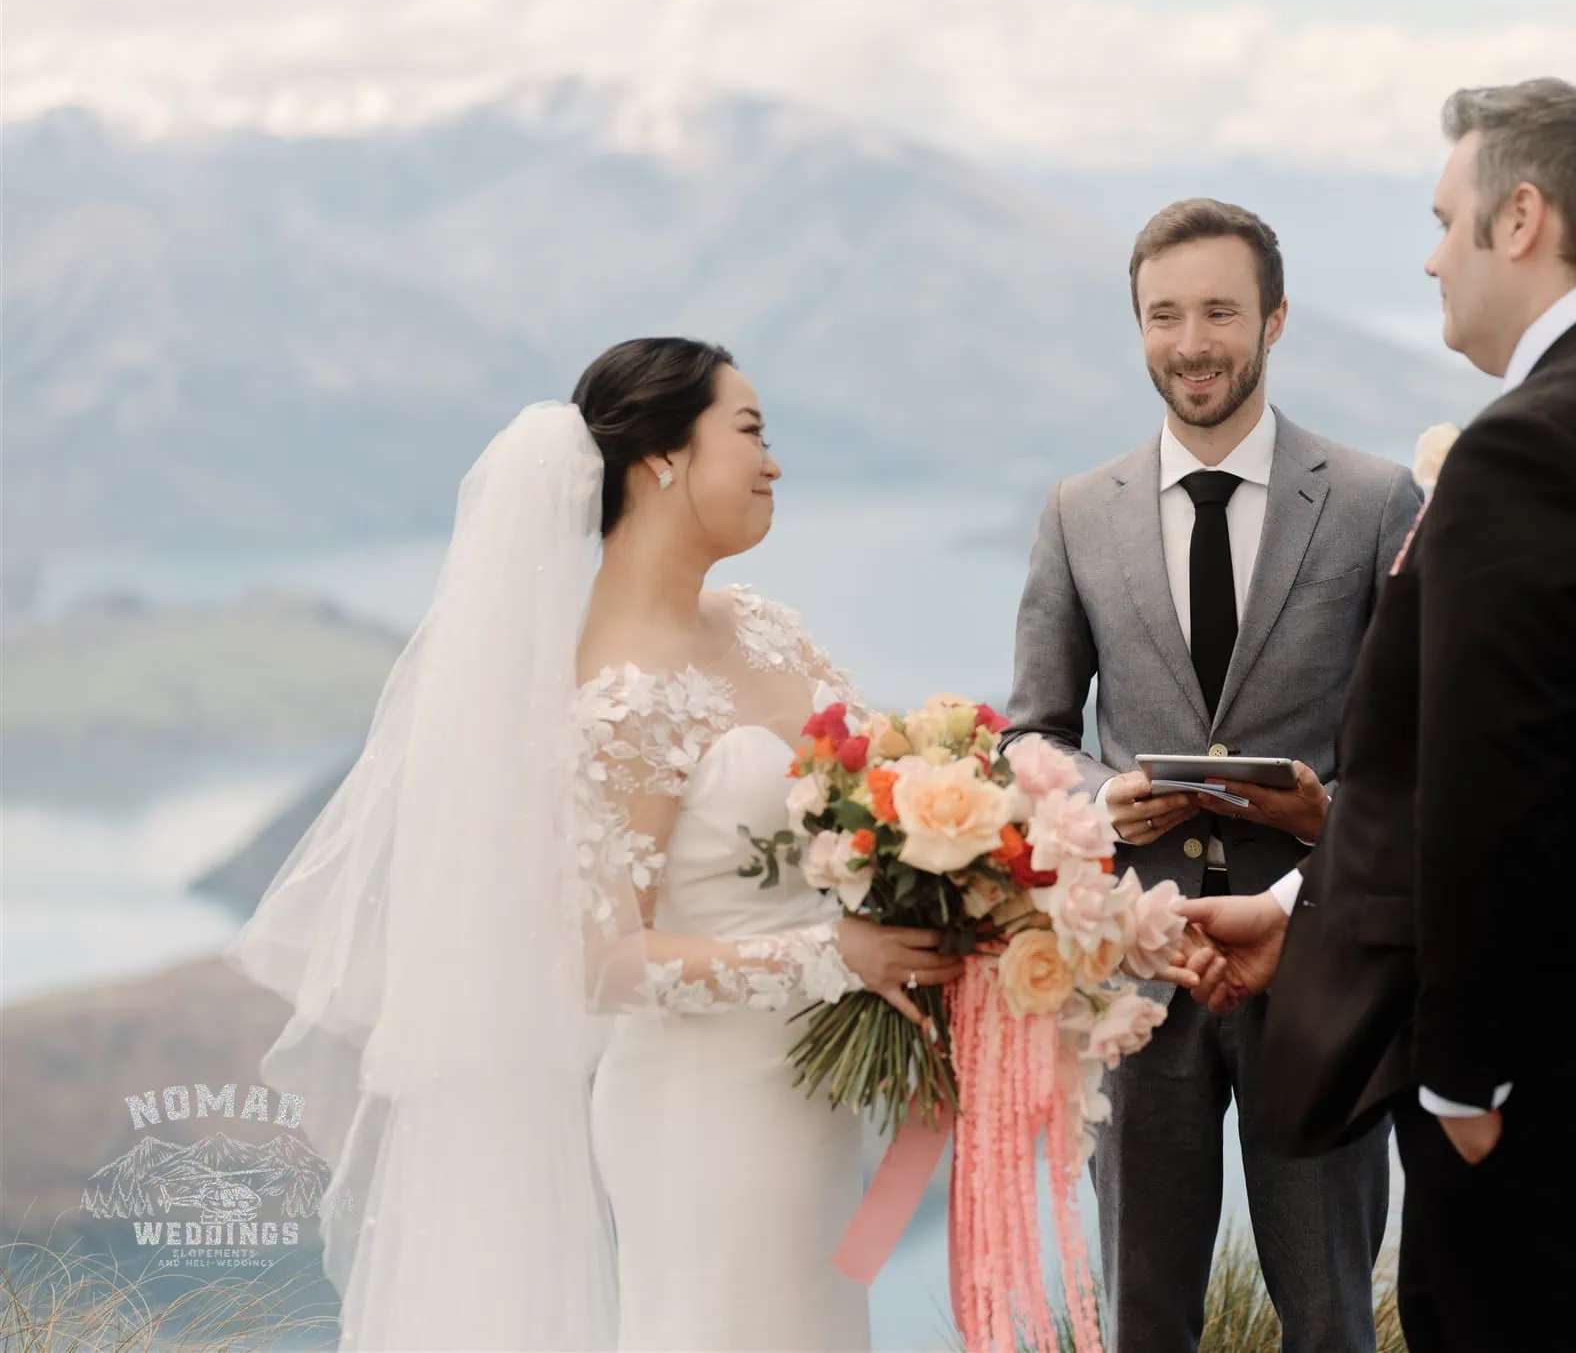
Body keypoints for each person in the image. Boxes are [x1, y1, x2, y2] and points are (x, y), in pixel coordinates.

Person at [1172, 79, 1576, 1352]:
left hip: (1533, 1076)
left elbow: (1487, 787)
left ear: (1519, 218)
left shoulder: (1539, 447)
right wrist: (1302, 917)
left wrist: (1466, 1073)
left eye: (1442, 218)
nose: (1427, 255)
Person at [225, 338, 959, 1351]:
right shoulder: (616, 698)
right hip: (710, 1118)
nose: (773, 463)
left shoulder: (764, 628)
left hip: (825, 1101)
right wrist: (832, 957)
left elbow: (884, 796)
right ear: (660, 458)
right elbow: (600, 961)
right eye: (749, 432)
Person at [1003, 198, 1420, 1352]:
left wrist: (1324, 815)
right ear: (1137, 328)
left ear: (1274, 320)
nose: (1191, 341)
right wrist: (1098, 795)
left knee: (1330, 1315)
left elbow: (1420, 757)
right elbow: (1026, 735)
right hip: (1137, 980)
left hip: (1320, 976)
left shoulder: (1376, 500)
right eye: (1164, 314)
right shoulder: (1076, 514)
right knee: (1142, 1316)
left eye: (1219, 312)